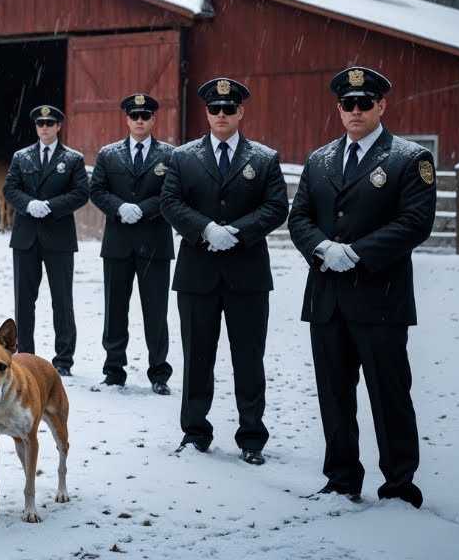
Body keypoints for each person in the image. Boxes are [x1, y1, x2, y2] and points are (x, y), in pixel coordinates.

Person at [287, 67, 434, 508]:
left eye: (364, 103)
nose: (355, 111)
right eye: (347, 104)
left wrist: (357, 252)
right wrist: (322, 249)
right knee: (334, 395)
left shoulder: (409, 158)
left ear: (381, 106)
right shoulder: (318, 160)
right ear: (338, 108)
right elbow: (300, 218)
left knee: (389, 394)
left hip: (380, 298)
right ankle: (342, 478)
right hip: (327, 297)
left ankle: (399, 484)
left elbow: (415, 222)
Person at [160, 78, 287, 466]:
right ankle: (195, 432)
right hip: (198, 273)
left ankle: (252, 437)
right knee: (198, 357)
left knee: (248, 358)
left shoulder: (263, 158)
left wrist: (238, 231)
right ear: (206, 112)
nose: (221, 115)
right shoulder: (183, 157)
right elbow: (169, 201)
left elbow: (277, 206)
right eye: (214, 109)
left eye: (228, 109)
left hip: (246, 273)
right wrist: (204, 229)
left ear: (240, 112)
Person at [87, 94, 175, 394]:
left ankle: (159, 373)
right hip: (118, 243)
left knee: (156, 311)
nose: (140, 121)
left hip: (155, 244)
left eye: (145, 116)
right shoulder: (109, 154)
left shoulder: (169, 155)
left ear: (153, 120)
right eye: (135, 116)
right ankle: (113, 370)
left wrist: (145, 208)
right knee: (114, 309)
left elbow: (173, 193)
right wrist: (119, 207)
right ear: (127, 119)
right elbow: (96, 189)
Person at [3, 104, 91, 377]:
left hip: (58, 238)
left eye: (50, 123)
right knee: (24, 302)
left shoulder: (73, 159)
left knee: (62, 301)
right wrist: (29, 204)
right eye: (41, 124)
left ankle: (64, 359)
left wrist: (50, 205)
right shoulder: (22, 157)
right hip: (26, 237)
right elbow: (9, 188)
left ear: (58, 126)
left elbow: (81, 193)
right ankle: (25, 356)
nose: (45, 127)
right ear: (36, 127)